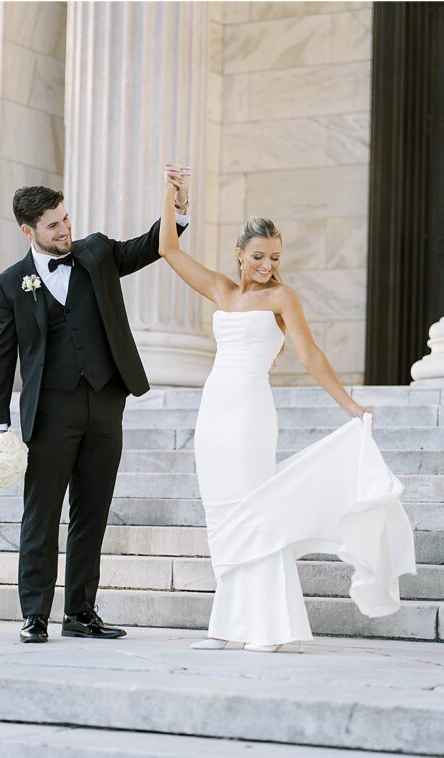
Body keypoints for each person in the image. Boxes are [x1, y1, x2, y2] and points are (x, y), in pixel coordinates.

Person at [157, 163, 417, 652]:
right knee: (222, 514)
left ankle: (270, 628)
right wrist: (174, 198)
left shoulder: (283, 297)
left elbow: (311, 355)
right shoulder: (221, 290)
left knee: (256, 511)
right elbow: (167, 249)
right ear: (238, 254)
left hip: (251, 415)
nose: (266, 265)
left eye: (274, 256)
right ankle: (226, 626)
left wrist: (350, 405)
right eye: (258, 256)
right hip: (213, 414)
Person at [0, 178, 190, 643]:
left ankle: (80, 613)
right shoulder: (10, 285)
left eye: (66, 219)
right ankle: (35, 614)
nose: (65, 230)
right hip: (50, 413)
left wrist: (176, 208)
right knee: (41, 516)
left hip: (105, 403)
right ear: (27, 230)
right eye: (54, 225)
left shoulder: (96, 253)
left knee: (91, 513)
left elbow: (150, 246)